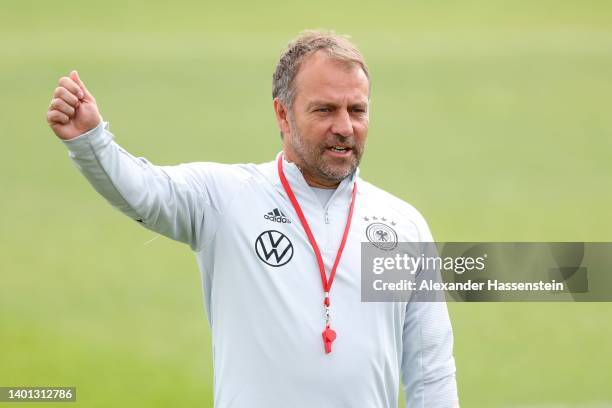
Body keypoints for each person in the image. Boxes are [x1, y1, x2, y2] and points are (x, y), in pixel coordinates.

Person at [46, 30, 459, 407]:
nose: (345, 127)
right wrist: (91, 140)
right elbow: (145, 192)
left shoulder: (400, 224)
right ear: (283, 114)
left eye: (357, 110)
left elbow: (431, 372)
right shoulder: (226, 199)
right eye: (325, 110)